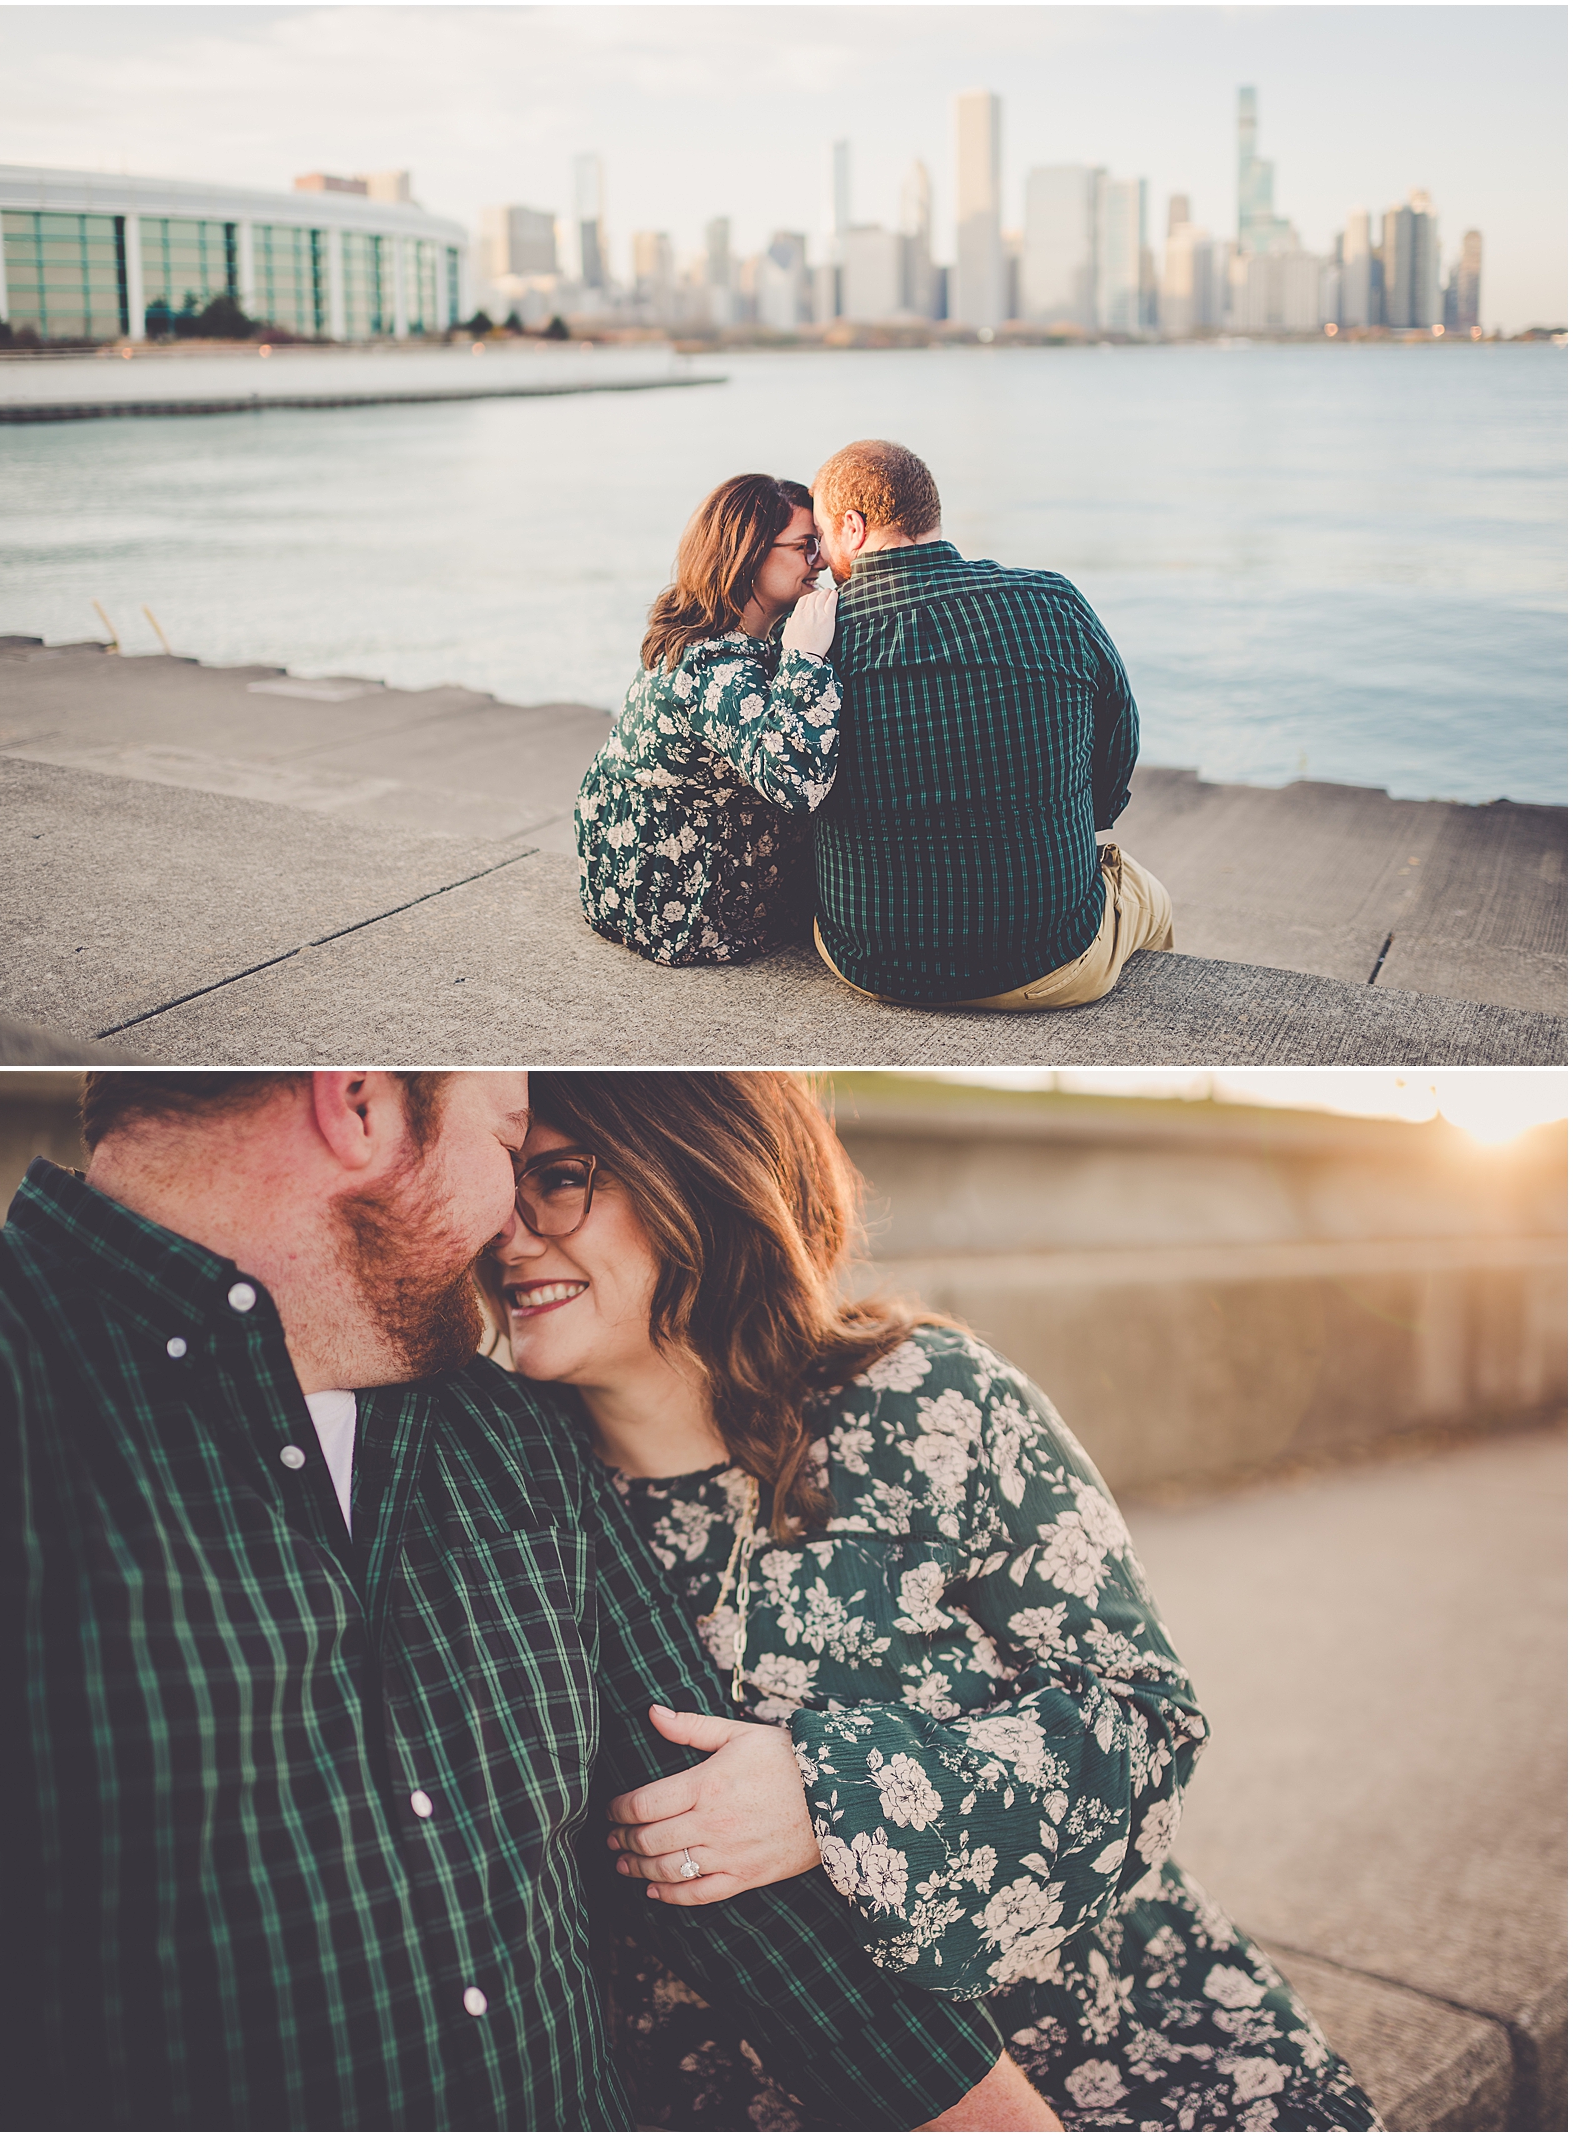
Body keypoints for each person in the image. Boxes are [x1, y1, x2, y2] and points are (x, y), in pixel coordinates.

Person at [0, 1068, 1059, 2133]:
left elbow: (719, 1867)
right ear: (356, 1103)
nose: (509, 1227)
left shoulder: (503, 1430)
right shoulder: (10, 1381)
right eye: (504, 1148)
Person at [484, 1071, 1385, 2134]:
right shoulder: (506, 1501)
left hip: (1113, 2041)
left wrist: (831, 1793)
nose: (507, 1232)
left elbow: (1144, 1724)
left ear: (699, 1169)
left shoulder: (930, 1401)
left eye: (558, 1178)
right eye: (499, 1182)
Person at [808, 438, 1175, 1010]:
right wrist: (1077, 821)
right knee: (1152, 899)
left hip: (872, 960)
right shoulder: (1052, 601)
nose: (822, 561)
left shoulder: (816, 641)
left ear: (851, 527)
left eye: (822, 538)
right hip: (1049, 958)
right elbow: (1117, 748)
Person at [576, 472, 842, 965]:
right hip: (677, 902)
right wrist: (806, 659)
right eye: (806, 545)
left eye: (821, 542)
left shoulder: (719, 627)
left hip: (624, 865)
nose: (822, 559)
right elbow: (798, 785)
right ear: (750, 555)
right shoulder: (712, 664)